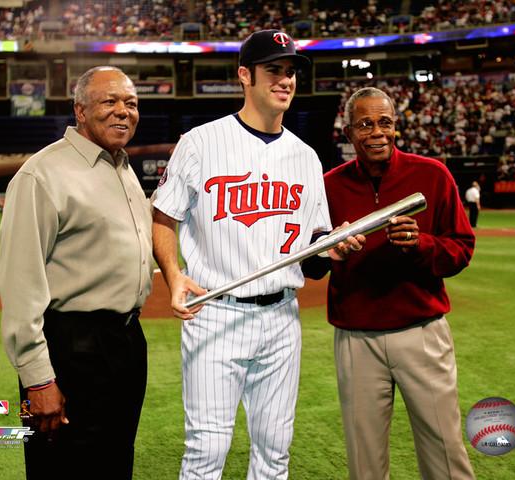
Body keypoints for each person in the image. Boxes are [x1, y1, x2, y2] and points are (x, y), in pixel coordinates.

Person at [152, 29, 364, 480]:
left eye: (290, 72)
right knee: (206, 451)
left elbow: (311, 255)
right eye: (274, 70)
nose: (285, 80)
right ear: (245, 75)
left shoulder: (306, 157)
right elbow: (163, 216)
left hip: (281, 319)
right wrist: (172, 275)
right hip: (215, 314)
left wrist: (334, 248)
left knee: (274, 452)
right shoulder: (201, 143)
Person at [303, 87, 476, 480]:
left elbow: (461, 250)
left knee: (445, 455)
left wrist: (422, 244)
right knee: (365, 463)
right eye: (365, 124)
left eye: (385, 122)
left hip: (422, 333)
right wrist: (330, 250)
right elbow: (309, 265)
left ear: (396, 126)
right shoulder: (328, 186)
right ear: (348, 133)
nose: (377, 132)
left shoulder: (432, 174)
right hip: (356, 338)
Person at [0, 66, 153, 480]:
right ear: (80, 111)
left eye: (131, 103)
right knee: (60, 468)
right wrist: (37, 379)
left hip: (123, 342)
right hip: (69, 347)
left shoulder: (120, 168)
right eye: (110, 101)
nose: (123, 111)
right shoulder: (42, 174)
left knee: (114, 462)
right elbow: (19, 284)